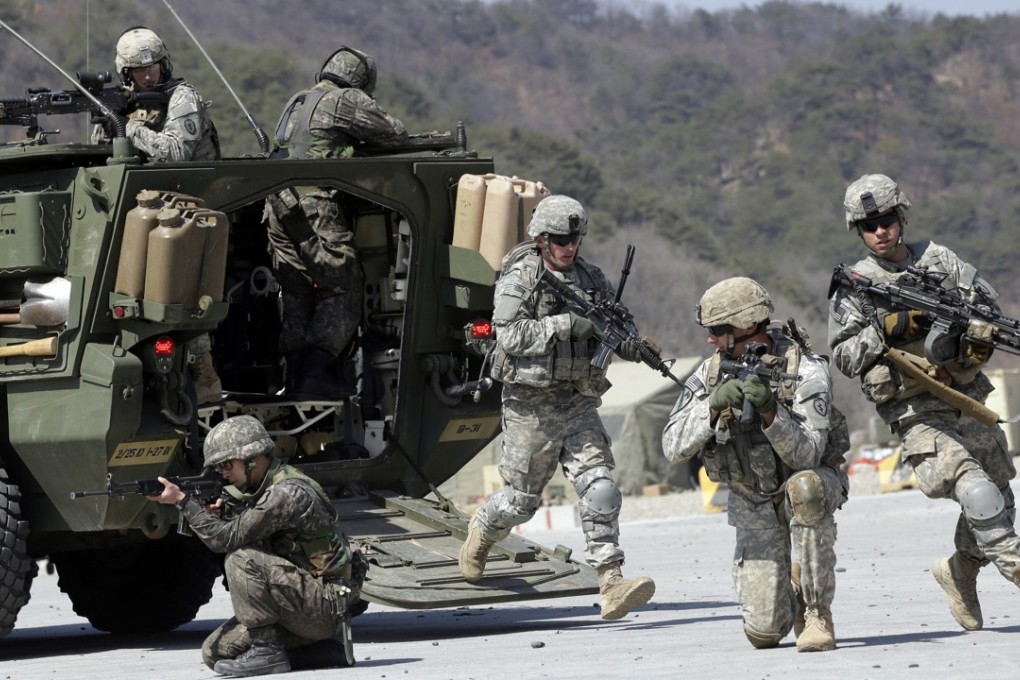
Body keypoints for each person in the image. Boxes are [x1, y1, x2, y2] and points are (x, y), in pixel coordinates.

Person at [828, 173, 1020, 631]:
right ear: (858, 230)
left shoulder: (941, 261)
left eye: (887, 220)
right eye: (869, 225)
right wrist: (887, 329)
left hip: (965, 397)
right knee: (975, 488)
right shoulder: (856, 284)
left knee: (998, 499)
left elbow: (985, 312)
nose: (880, 231)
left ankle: (959, 571)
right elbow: (842, 356)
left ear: (903, 217)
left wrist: (976, 338)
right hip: (915, 410)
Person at [458, 194, 656, 620]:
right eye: (561, 240)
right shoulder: (521, 279)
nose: (570, 248)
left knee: (600, 484)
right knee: (520, 503)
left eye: (575, 239)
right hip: (531, 407)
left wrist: (634, 345)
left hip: (578, 402)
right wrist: (565, 324)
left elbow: (617, 325)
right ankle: (483, 529)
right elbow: (509, 336)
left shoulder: (591, 277)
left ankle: (610, 580)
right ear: (542, 239)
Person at [662, 277, 848, 652]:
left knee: (806, 488)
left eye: (716, 330)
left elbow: (809, 454)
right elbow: (672, 446)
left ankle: (816, 612)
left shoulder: (805, 370)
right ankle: (789, 590)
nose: (710, 340)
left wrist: (770, 412)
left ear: (745, 327)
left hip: (806, 482)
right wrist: (711, 408)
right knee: (763, 634)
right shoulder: (710, 373)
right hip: (753, 500)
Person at [148, 415, 363, 676]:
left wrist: (183, 502)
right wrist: (221, 512)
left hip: (325, 606)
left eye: (227, 464)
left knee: (241, 559)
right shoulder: (265, 490)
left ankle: (267, 652)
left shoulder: (288, 493)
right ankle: (323, 650)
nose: (223, 473)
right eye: (218, 468)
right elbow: (249, 527)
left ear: (253, 458)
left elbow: (224, 540)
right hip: (300, 603)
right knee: (215, 651)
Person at [265, 46, 407, 397]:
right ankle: (317, 372)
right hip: (313, 204)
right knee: (344, 283)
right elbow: (395, 133)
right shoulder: (346, 100)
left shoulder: (299, 100)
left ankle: (294, 376)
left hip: (276, 204)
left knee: (297, 290)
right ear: (359, 82)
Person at [97, 26, 223, 404]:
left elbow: (174, 153)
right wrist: (109, 123)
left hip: (194, 214)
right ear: (126, 74)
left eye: (153, 67)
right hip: (143, 214)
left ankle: (205, 373)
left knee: (178, 288)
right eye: (139, 70)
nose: (148, 75)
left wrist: (128, 127)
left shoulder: (182, 98)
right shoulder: (124, 105)